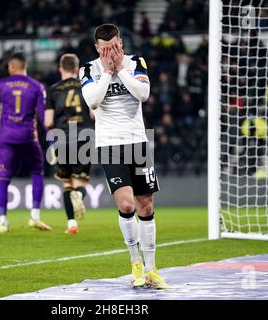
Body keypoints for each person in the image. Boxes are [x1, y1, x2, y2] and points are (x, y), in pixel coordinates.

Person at [79, 24, 170, 289]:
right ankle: (135, 265)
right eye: (106, 48)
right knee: (127, 205)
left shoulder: (134, 62)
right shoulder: (89, 69)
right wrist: (108, 72)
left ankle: (152, 269)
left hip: (138, 143)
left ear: (121, 43)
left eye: (115, 46)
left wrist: (119, 69)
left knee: (147, 205)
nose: (111, 52)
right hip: (109, 144)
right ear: (97, 48)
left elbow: (143, 94)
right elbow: (93, 102)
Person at [0, 52, 52, 234]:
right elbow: (44, 117)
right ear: (24, 66)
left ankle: (3, 222)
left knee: (4, 179)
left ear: (12, 67)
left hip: (6, 139)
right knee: (37, 172)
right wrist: (52, 139)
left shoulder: (1, 85)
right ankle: (35, 216)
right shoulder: (37, 86)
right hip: (28, 137)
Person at [45, 54, 94, 235]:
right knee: (80, 182)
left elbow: (48, 121)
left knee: (67, 183)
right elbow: (94, 115)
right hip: (84, 136)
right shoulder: (86, 86)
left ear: (60, 69)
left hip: (62, 137)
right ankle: (79, 196)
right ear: (77, 69)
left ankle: (71, 224)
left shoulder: (52, 90)